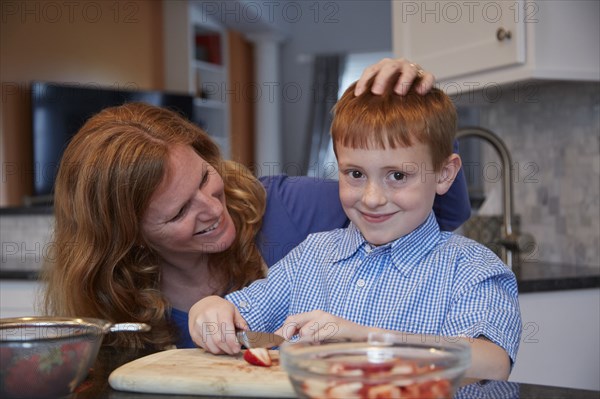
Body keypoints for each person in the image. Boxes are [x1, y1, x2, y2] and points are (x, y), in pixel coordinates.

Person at [41, 59, 471, 350]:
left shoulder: (289, 205)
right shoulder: (112, 301)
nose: (211, 208)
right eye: (178, 213)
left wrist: (414, 116)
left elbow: (439, 215)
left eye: (205, 179)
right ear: (127, 235)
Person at [188, 76, 521, 380]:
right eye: (355, 174)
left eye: (398, 176)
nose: (372, 199)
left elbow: (491, 362)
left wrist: (366, 340)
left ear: (444, 174)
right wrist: (210, 310)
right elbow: (239, 314)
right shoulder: (313, 254)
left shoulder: (471, 267)